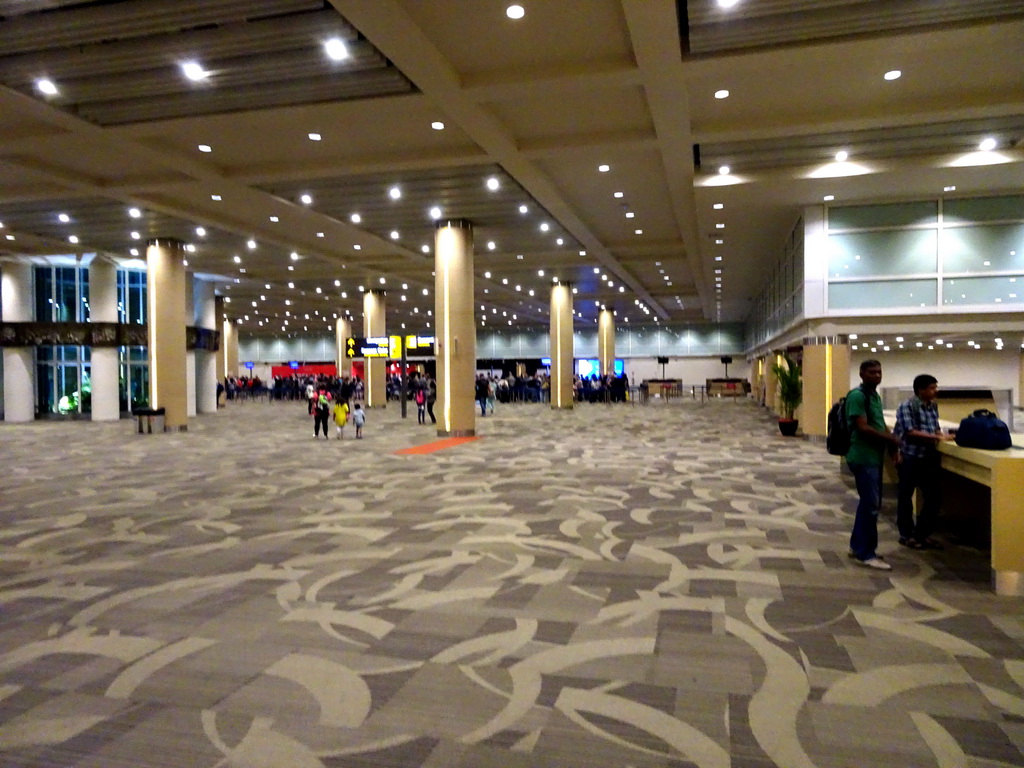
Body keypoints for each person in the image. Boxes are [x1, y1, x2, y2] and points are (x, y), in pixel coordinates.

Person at [845, 359, 902, 570]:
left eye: (879, 372)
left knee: (868, 504)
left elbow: (879, 425)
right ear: (861, 374)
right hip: (862, 457)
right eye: (872, 372)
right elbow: (863, 428)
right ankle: (866, 553)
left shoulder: (874, 396)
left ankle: (857, 545)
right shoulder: (857, 396)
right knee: (871, 506)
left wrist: (892, 447)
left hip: (874, 457)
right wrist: (890, 440)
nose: (876, 376)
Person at [893, 374, 953, 549]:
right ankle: (906, 535)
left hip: (928, 457)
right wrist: (936, 437)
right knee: (905, 497)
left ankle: (921, 534)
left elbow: (934, 428)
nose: (936, 391)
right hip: (909, 457)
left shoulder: (932, 407)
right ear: (921, 390)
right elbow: (910, 432)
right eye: (932, 388)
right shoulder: (907, 406)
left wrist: (942, 436)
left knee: (934, 497)